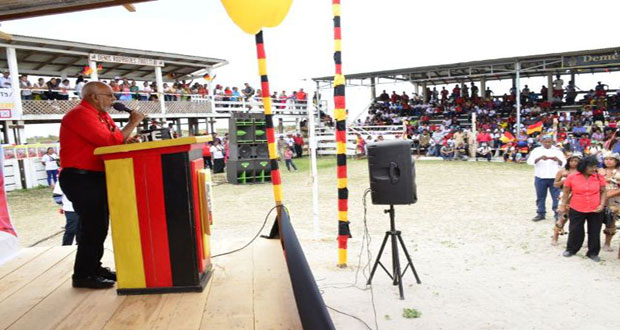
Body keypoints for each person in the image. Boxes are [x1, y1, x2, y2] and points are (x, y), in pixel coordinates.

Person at [59, 81, 145, 289]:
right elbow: (108, 142)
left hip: (96, 176)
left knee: (97, 226)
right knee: (93, 226)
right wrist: (132, 123)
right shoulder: (79, 115)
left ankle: (93, 267)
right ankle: (83, 275)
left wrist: (128, 140)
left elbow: (115, 140)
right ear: (94, 96)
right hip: (81, 177)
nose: (113, 100)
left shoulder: (102, 116)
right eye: (109, 96)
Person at [559, 156, 607, 262]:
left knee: (594, 231)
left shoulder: (599, 177)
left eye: (595, 167)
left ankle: (593, 253)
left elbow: (603, 191)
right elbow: (566, 192)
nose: (594, 169)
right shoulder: (572, 177)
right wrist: (563, 205)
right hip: (577, 207)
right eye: (591, 167)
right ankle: (571, 249)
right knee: (575, 230)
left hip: (595, 208)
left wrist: (602, 204)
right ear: (583, 166)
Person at [526, 136, 566, 221]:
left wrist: (557, 159)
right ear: (541, 142)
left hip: (554, 178)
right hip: (540, 176)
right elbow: (529, 162)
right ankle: (541, 213)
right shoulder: (536, 151)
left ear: (552, 142)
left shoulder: (557, 151)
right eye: (546, 142)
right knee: (540, 196)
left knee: (556, 197)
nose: (547, 144)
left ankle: (557, 214)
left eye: (549, 142)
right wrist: (539, 158)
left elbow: (564, 163)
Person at [552, 152, 581, 245]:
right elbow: (555, 184)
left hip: (578, 195)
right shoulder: (562, 171)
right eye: (572, 160)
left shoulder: (582, 172)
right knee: (563, 217)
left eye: (576, 161)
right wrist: (565, 180)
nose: (574, 163)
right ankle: (555, 236)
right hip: (565, 194)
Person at [598, 152, 620, 251]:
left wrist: (609, 195)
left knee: (611, 221)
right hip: (598, 198)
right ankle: (593, 241)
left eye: (611, 159)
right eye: (606, 159)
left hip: (614, 200)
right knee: (594, 220)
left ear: (616, 161)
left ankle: (607, 243)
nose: (608, 161)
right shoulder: (599, 171)